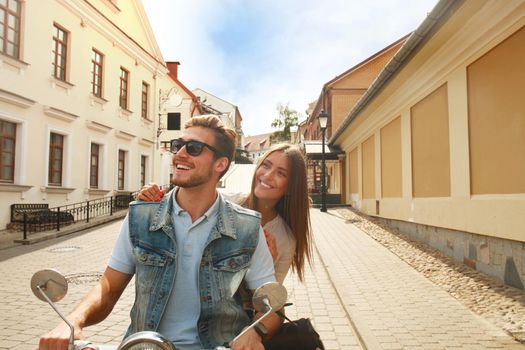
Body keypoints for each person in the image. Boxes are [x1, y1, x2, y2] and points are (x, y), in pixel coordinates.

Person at [39, 115, 282, 350]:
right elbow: (109, 287)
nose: (180, 153)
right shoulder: (141, 217)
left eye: (194, 148)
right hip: (145, 346)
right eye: (178, 145)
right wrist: (73, 319)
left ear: (220, 164)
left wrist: (256, 331)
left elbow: (272, 307)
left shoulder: (246, 227)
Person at [138, 143, 313, 284]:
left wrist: (267, 264)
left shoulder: (285, 240)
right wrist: (153, 199)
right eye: (266, 166)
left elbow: (268, 305)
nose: (267, 175)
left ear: (291, 187)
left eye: (281, 173)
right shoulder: (224, 202)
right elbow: (179, 212)